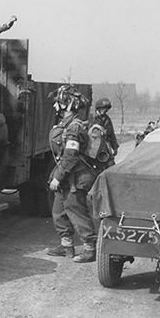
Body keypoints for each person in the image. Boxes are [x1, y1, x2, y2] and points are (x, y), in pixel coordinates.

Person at [46, 85, 99, 263]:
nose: (55, 107)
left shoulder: (74, 128)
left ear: (67, 105)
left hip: (76, 178)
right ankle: (66, 246)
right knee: (59, 212)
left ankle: (90, 249)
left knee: (76, 212)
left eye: (59, 103)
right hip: (68, 177)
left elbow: (70, 157)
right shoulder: (66, 125)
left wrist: (57, 177)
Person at [93, 98, 119, 165]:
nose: (106, 110)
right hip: (93, 147)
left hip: (105, 147)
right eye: (104, 108)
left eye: (107, 109)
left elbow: (111, 134)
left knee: (111, 165)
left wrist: (115, 147)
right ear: (98, 108)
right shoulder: (91, 118)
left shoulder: (107, 119)